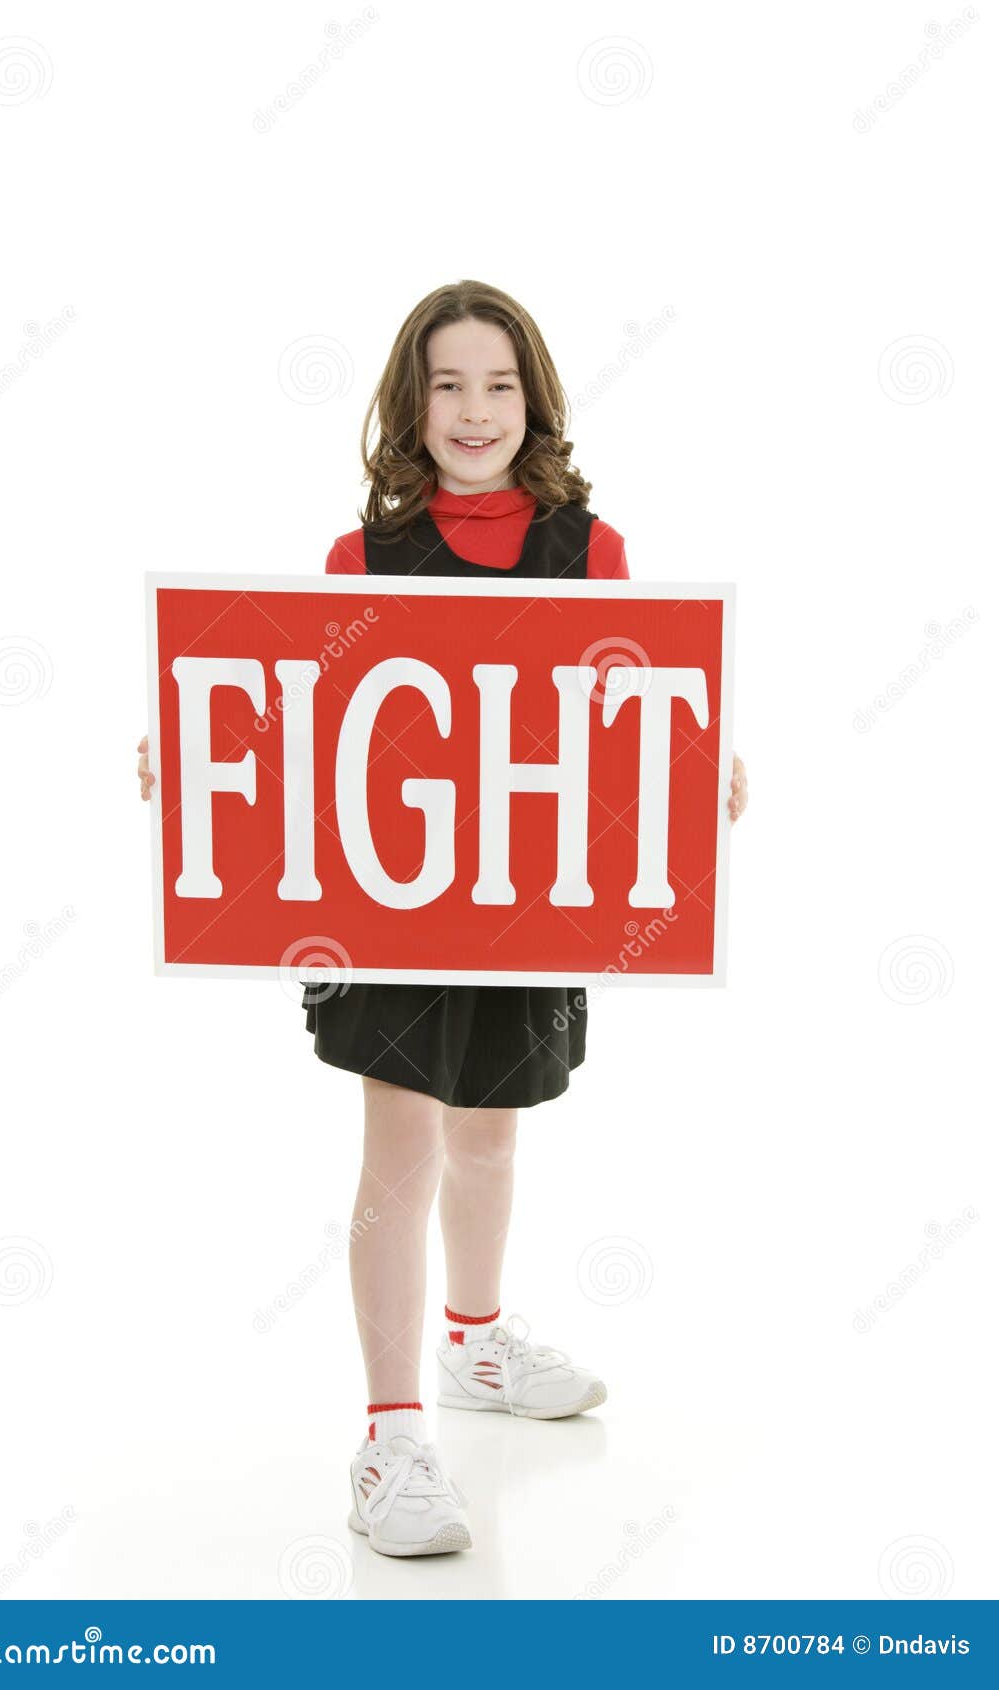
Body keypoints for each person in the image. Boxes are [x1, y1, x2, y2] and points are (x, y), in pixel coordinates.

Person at [137, 279, 748, 1559]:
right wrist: (199, 749)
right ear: (412, 408)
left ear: (534, 399)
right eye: (447, 384)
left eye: (498, 383)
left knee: (488, 1139)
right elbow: (302, 708)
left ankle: (471, 1342)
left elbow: (623, 705)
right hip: (387, 912)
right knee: (401, 1146)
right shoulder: (363, 557)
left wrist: (701, 759)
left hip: (520, 901)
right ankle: (394, 1430)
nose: (474, 409)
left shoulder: (593, 551)